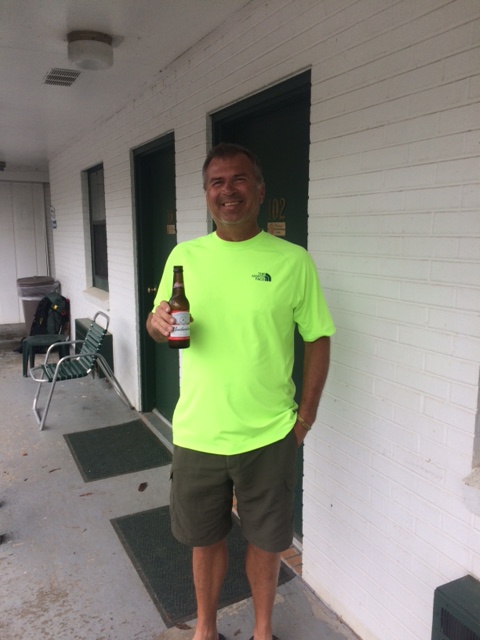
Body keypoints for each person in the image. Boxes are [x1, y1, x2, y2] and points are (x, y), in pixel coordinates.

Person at [146, 143, 335, 640]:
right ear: (206, 193)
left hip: (269, 434)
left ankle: (262, 630)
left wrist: (305, 419)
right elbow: (160, 323)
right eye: (217, 182)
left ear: (260, 189)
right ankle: (205, 630)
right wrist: (156, 323)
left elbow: (318, 337)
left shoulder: (293, 261)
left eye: (239, 179)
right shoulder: (184, 256)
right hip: (198, 432)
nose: (228, 190)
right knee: (204, 541)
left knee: (267, 543)